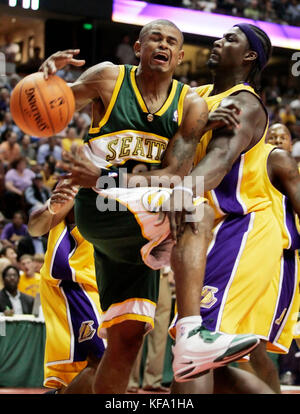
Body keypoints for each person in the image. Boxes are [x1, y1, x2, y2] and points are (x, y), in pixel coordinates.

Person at [40, 19, 258, 393]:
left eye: (172, 41)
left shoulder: (189, 104)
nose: (163, 44)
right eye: (154, 37)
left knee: (127, 340)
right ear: (138, 49)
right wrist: (44, 81)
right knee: (196, 210)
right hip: (100, 206)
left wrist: (111, 177)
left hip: (130, 220)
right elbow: (49, 110)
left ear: (179, 55)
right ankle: (191, 336)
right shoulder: (108, 78)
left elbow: (175, 173)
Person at [160, 23, 289, 391]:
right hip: (210, 231)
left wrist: (182, 193)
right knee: (202, 357)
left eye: (230, 39)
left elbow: (217, 162)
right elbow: (175, 150)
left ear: (249, 57)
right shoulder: (196, 96)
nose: (218, 41)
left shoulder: (243, 103)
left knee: (193, 352)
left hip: (241, 228)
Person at [27, 180, 106, 394]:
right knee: (102, 359)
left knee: (89, 369)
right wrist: (51, 206)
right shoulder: (77, 184)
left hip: (96, 286)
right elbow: (35, 228)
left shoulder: (121, 181)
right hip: (72, 283)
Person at [127, 266, 173, 393]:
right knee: (137, 324)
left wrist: (171, 270)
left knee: (160, 329)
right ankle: (130, 381)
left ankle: (153, 380)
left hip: (162, 273)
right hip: (140, 271)